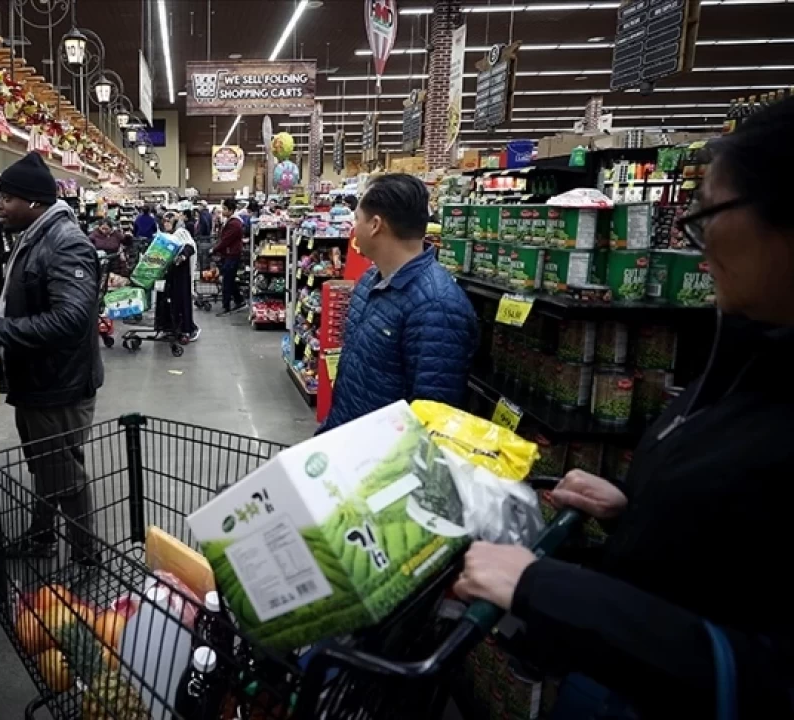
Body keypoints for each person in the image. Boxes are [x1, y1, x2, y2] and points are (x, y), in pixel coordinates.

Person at [453, 97, 794, 719]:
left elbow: (770, 677)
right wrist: (638, 511)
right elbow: (751, 551)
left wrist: (543, 587)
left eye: (710, 213)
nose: (696, 236)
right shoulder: (751, 350)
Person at [0, 152, 103, 562]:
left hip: (58, 383)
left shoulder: (64, 242)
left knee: (62, 472)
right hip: (41, 379)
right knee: (48, 467)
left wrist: (0, 332)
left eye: (6, 198)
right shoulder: (36, 236)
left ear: (33, 202)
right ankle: (42, 537)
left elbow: (71, 318)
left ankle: (86, 554)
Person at [321, 174, 478, 431]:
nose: (353, 228)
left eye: (356, 219)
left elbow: (432, 417)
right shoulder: (370, 280)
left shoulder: (437, 307)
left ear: (375, 225)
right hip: (348, 443)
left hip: (381, 463)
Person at [155, 211, 200, 342]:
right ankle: (165, 327)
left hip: (180, 275)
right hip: (165, 274)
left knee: (180, 302)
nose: (166, 224)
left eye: (169, 221)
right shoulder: (162, 235)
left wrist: (182, 256)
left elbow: (190, 247)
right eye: (165, 221)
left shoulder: (181, 233)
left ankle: (186, 329)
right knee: (164, 301)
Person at [212, 197, 246, 315]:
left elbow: (226, 240)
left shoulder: (234, 224)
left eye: (225, 209)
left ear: (231, 210)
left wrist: (214, 249)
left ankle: (226, 306)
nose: (223, 211)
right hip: (230, 254)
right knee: (230, 280)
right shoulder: (231, 222)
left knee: (227, 280)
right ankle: (239, 300)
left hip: (232, 255)